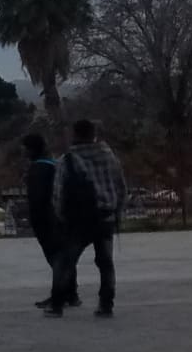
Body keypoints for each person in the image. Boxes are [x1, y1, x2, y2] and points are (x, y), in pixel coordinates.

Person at [48, 118, 128, 318]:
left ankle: (57, 303)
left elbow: (57, 194)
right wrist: (117, 212)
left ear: (74, 135)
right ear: (94, 134)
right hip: (105, 217)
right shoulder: (110, 157)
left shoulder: (68, 160)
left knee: (66, 261)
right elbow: (122, 188)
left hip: (78, 220)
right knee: (106, 263)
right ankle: (106, 303)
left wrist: (61, 217)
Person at [22, 133, 79, 311]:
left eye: (25, 149)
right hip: (60, 217)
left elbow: (38, 199)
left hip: (46, 220)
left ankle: (61, 295)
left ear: (31, 149)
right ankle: (70, 293)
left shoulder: (38, 170)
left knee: (56, 258)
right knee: (62, 256)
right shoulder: (54, 165)